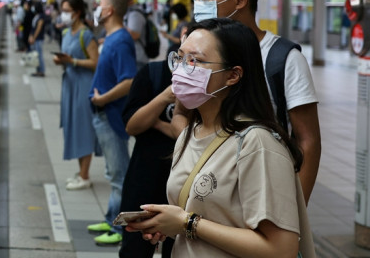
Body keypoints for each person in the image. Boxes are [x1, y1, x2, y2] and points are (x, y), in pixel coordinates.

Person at [127, 18, 314, 257]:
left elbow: (281, 248)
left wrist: (187, 223)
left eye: (195, 60)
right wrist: (169, 225)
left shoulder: (257, 143)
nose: (183, 69)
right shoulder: (190, 133)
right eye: (180, 58)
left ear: (233, 75)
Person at [190, 0, 320, 204]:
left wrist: (295, 212)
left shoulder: (283, 58)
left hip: (263, 193)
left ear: (239, 0)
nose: (199, 3)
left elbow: (308, 140)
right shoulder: (198, 52)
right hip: (205, 190)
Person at [87, 0, 137, 245]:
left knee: (119, 175)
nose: (96, 8)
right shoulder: (111, 37)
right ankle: (110, 220)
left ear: (109, 12)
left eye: (100, 5)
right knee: (112, 172)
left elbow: (129, 81)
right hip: (104, 115)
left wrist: (103, 99)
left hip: (111, 116)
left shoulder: (119, 41)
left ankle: (120, 230)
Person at [118, 60, 176, 258]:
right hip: (144, 179)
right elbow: (132, 126)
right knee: (134, 249)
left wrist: (156, 123)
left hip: (181, 188)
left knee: (177, 250)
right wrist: (165, 97)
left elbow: (183, 132)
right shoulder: (153, 73)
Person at [53, 0, 100, 190]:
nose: (63, 15)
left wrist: (71, 61)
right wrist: (62, 60)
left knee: (83, 128)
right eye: (62, 10)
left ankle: (84, 175)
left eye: (67, 11)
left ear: (77, 12)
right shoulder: (65, 33)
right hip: (70, 85)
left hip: (83, 85)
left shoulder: (85, 35)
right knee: (72, 125)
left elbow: (95, 62)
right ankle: (81, 172)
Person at [117, 0, 149, 69]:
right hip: (132, 56)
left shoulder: (135, 14)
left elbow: (135, 35)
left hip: (138, 58)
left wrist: (117, 24)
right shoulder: (128, 13)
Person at [28, 1, 46, 77]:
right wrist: (30, 36)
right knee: (36, 55)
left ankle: (41, 71)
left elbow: (38, 28)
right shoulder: (37, 16)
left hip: (38, 38)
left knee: (39, 55)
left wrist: (34, 38)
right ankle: (38, 70)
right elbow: (33, 27)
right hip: (35, 38)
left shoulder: (41, 16)